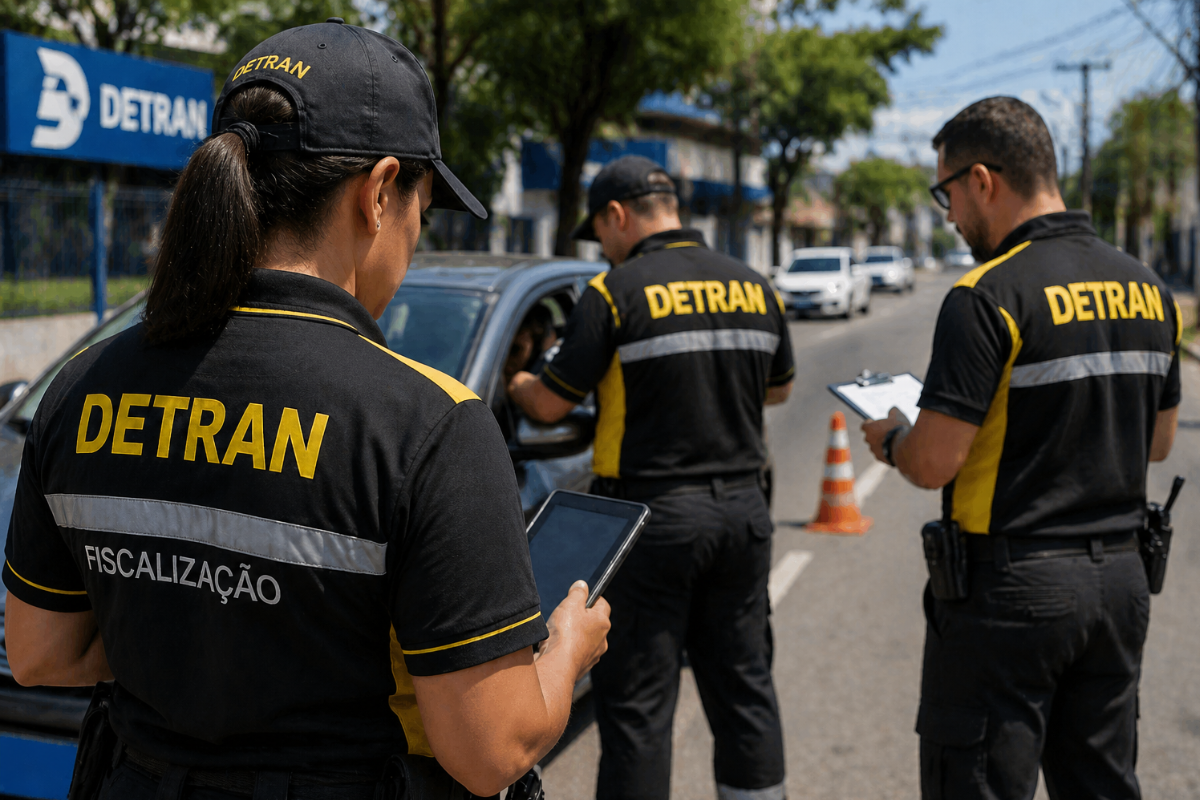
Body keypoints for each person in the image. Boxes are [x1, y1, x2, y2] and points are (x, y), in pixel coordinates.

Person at [2, 19, 610, 799]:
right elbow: (490, 749)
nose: (417, 236)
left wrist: (203, 640)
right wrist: (567, 646)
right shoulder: (429, 422)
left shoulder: (82, 386)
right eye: (424, 205)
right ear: (381, 191)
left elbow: (41, 653)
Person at [862, 96, 1180, 800]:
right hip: (1120, 584)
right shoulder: (1149, 289)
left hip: (1012, 595)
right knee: (1101, 785)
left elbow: (935, 461)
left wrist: (890, 439)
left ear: (982, 180)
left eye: (944, 191)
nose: (946, 213)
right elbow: (1159, 444)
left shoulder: (987, 294)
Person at [508, 155, 796, 800]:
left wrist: (515, 380)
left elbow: (551, 405)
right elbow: (779, 391)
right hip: (743, 512)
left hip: (650, 521)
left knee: (639, 705)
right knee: (745, 685)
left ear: (617, 216)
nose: (603, 247)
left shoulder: (615, 292)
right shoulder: (754, 284)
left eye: (600, 232)